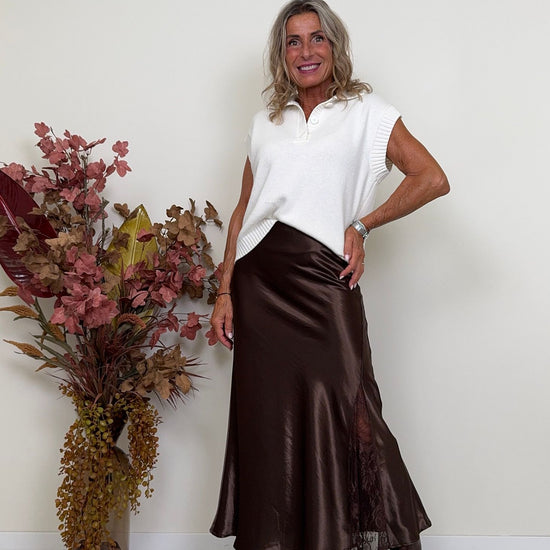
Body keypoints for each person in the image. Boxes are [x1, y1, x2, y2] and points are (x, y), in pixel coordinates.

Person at [209, 1, 449, 549]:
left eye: (317, 38)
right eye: (293, 42)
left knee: (352, 410)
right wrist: (224, 290)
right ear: (281, 54)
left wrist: (363, 225)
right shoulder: (265, 123)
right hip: (258, 284)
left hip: (323, 279)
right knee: (270, 423)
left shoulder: (367, 111)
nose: (306, 51)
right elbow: (244, 209)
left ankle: (340, 538)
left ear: (335, 46)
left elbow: (431, 178)